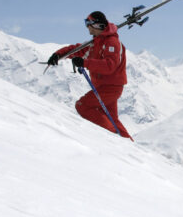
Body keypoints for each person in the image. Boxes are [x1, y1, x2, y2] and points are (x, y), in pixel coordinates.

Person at [47, 11, 132, 139]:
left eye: (89, 25)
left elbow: (110, 65)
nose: (88, 29)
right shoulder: (96, 42)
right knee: (111, 118)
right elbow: (77, 49)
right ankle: (128, 144)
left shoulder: (112, 42)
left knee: (83, 106)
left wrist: (85, 62)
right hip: (103, 86)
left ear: (97, 25)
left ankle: (113, 137)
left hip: (111, 87)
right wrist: (58, 55)